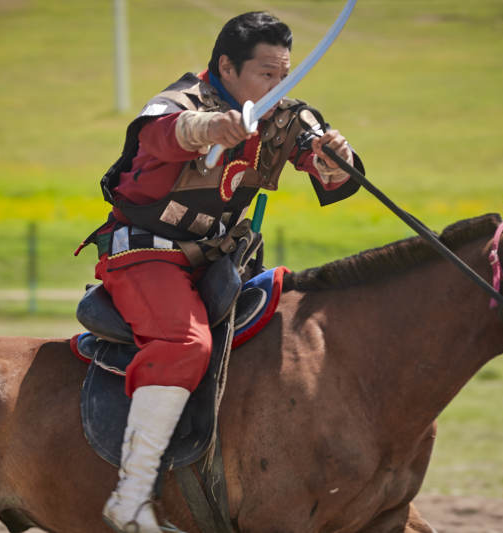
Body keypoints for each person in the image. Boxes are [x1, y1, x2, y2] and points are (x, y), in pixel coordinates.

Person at [78, 11, 363, 533]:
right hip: (146, 253)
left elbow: (334, 179)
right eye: (266, 74)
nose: (278, 86)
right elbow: (161, 135)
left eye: (284, 75)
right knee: (185, 345)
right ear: (227, 67)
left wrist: (336, 157)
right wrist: (208, 127)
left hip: (224, 263)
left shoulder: (284, 113)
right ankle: (131, 497)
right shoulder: (179, 102)